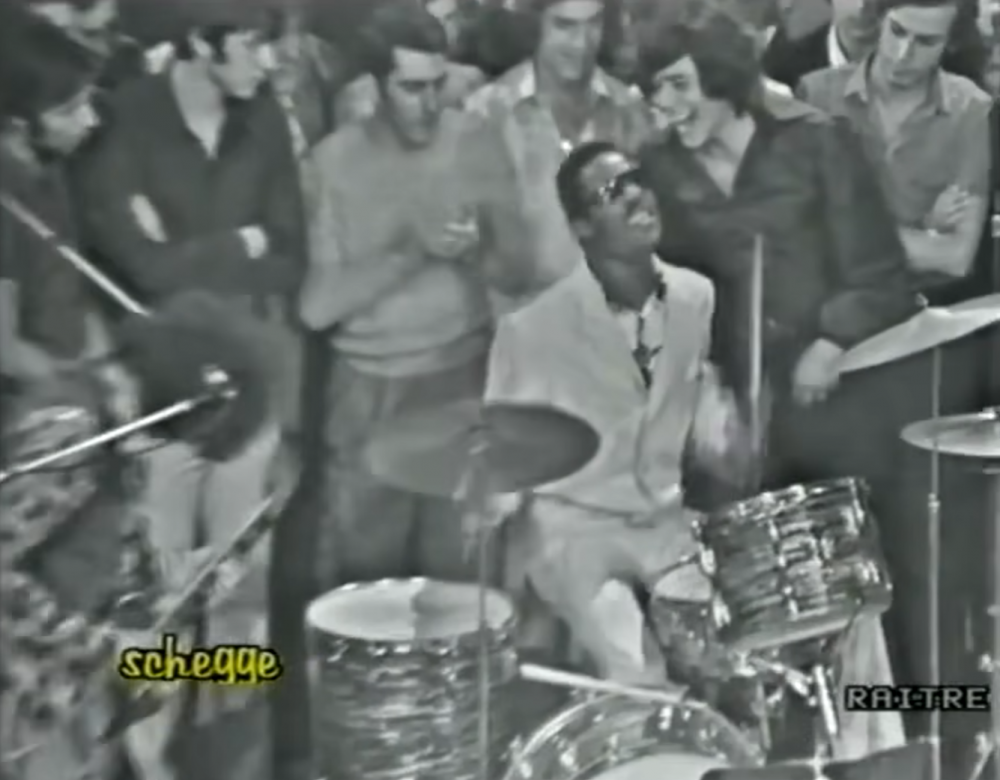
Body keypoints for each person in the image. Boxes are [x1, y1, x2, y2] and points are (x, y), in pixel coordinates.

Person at [74, 5, 303, 771]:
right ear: (203, 43)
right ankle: (154, 762)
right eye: (253, 46)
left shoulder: (264, 117)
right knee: (156, 600)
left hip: (251, 389)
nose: (268, 63)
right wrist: (239, 241)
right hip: (161, 400)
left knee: (239, 597)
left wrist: (186, 252)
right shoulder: (124, 121)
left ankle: (230, 759)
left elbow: (290, 255)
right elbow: (133, 263)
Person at [293, 5, 495, 777]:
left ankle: (457, 760)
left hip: (462, 386)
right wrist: (412, 250)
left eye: (438, 84)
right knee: (364, 601)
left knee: (459, 597)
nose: (429, 102)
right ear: (375, 86)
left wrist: (484, 250)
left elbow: (525, 270)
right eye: (412, 87)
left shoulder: (476, 143)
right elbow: (317, 306)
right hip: (369, 396)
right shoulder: (332, 164)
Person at [798, 1, 996, 764]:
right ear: (878, 24)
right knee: (837, 560)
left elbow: (957, 258)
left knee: (923, 567)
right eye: (898, 34)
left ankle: (930, 736)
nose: (907, 54)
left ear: (952, 44)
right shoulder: (815, 95)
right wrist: (911, 229)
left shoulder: (970, 111)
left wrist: (861, 232)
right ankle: (838, 742)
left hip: (921, 361)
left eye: (928, 42)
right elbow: (805, 242)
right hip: (826, 353)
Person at [636, 7, 919, 503]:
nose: (665, 103)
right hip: (735, 410)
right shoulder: (662, 170)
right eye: (656, 88)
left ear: (722, 76)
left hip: (836, 394)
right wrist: (705, 385)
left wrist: (830, 342)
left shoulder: (817, 142)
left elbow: (882, 274)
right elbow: (670, 291)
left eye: (679, 84)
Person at [486, 140, 743, 685]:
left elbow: (695, 404)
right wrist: (504, 595)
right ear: (582, 227)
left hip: (664, 524)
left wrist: (724, 432)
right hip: (575, 530)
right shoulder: (531, 329)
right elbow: (502, 473)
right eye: (611, 192)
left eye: (637, 180)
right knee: (636, 667)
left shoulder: (696, 296)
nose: (636, 197)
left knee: (726, 653)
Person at [463, 0, 650, 311]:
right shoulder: (487, 113)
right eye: (565, 26)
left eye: (593, 24)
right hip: (524, 318)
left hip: (615, 318)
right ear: (535, 26)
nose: (581, 43)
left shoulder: (628, 111)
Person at [335, 0, 486, 124]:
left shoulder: (468, 83)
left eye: (439, 84)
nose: (432, 106)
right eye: (413, 87)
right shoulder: (356, 105)